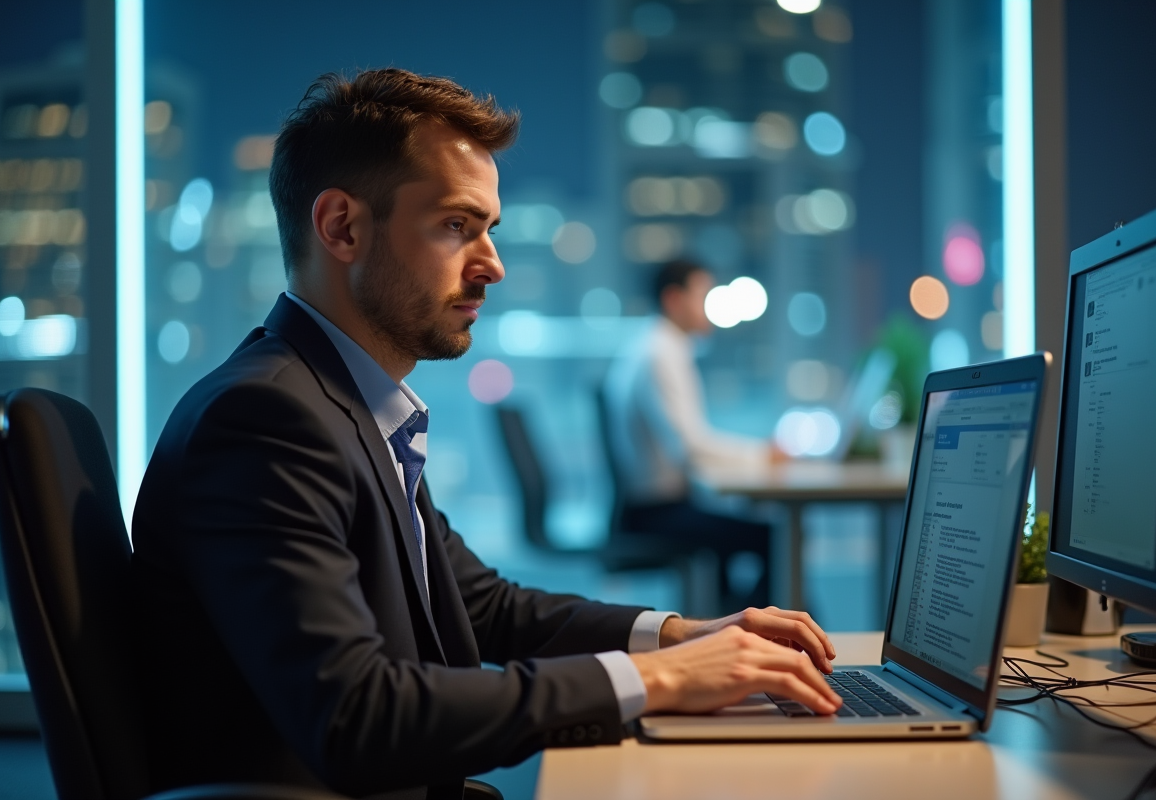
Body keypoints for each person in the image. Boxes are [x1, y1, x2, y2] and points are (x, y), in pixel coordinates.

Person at [132, 69, 840, 800]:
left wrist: (679, 636)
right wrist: (656, 680)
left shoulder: (346, 406)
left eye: (489, 230)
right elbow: (355, 717)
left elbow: (483, 606)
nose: (493, 266)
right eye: (455, 226)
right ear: (342, 227)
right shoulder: (265, 421)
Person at [604, 260, 778, 608]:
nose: (711, 307)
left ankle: (736, 619)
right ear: (674, 299)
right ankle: (759, 626)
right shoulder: (660, 354)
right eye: (704, 296)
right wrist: (763, 454)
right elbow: (688, 446)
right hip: (654, 513)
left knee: (751, 533)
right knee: (774, 539)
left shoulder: (659, 347)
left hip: (655, 505)